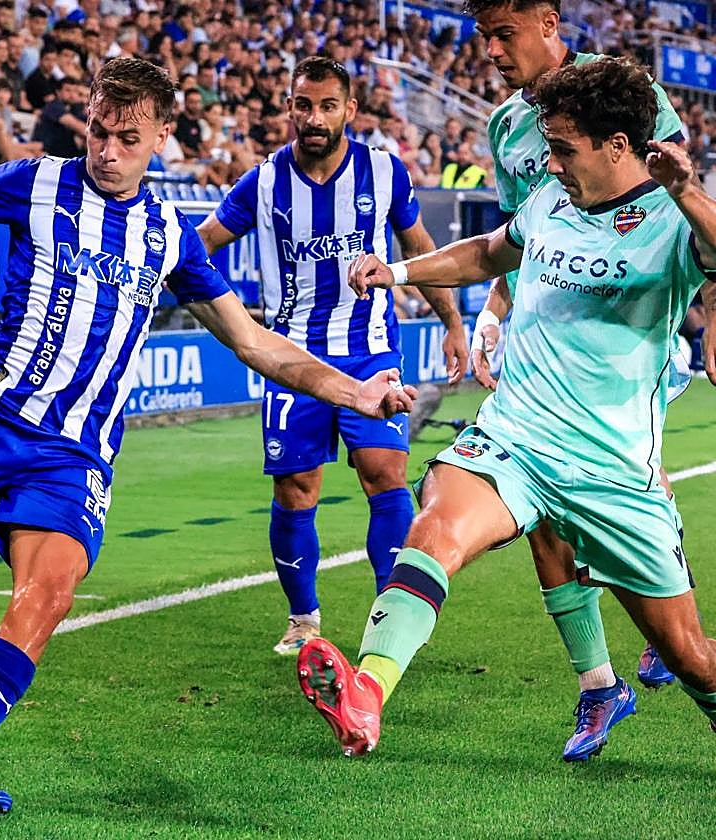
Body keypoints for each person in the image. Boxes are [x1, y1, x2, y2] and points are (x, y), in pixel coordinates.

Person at [0, 56, 417, 815]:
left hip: (73, 453)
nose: (107, 150)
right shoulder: (37, 181)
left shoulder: (172, 237)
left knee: (49, 594)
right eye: (97, 131)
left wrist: (358, 391)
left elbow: (255, 343)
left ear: (161, 134)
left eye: (126, 137)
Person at [297, 57, 716, 759]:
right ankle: (367, 693)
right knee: (436, 527)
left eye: (562, 149)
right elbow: (490, 252)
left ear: (618, 147)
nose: (547, 163)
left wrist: (689, 190)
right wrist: (396, 271)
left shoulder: (672, 223)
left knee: (692, 658)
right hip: (515, 440)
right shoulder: (550, 199)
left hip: (612, 470)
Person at [465, 0, 708, 761]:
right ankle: (601, 684)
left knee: (616, 477)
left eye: (504, 33)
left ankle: (663, 619)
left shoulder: (623, 96)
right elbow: (522, 237)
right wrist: (492, 313)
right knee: (540, 510)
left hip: (629, 334)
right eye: (484, 38)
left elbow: (676, 213)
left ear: (546, 21)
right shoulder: (509, 127)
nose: (494, 51)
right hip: (551, 325)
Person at [197, 57, 468, 656]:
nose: (313, 118)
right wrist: (223, 307)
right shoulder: (263, 182)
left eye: (326, 106)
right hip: (290, 357)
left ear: (349, 109)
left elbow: (418, 248)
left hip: (371, 350)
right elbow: (200, 245)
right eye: (303, 105)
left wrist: (452, 320)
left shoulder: (383, 172)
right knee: (296, 489)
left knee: (385, 474)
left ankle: (390, 617)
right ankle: (303, 619)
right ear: (289, 108)